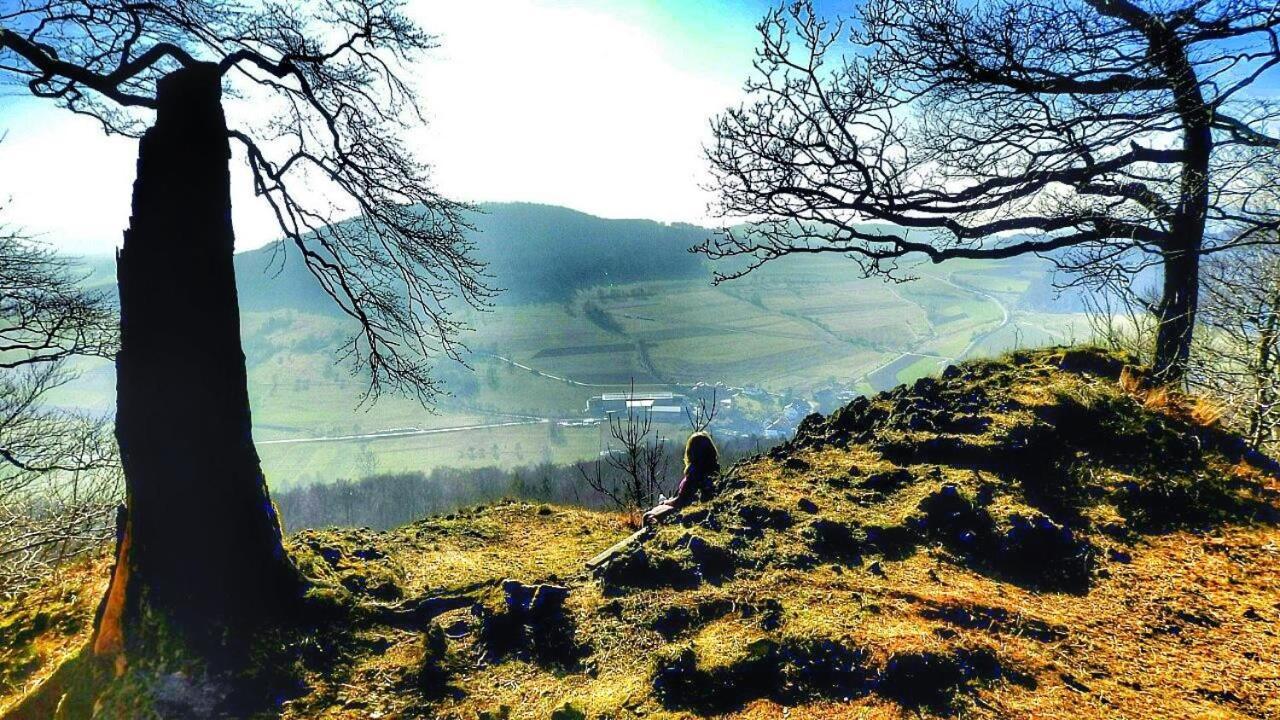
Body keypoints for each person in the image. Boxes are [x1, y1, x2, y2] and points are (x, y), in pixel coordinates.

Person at [643, 431, 720, 525]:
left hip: (683, 511)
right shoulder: (714, 469)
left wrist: (666, 502)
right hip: (696, 510)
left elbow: (681, 501)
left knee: (648, 516)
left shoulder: (694, 474)